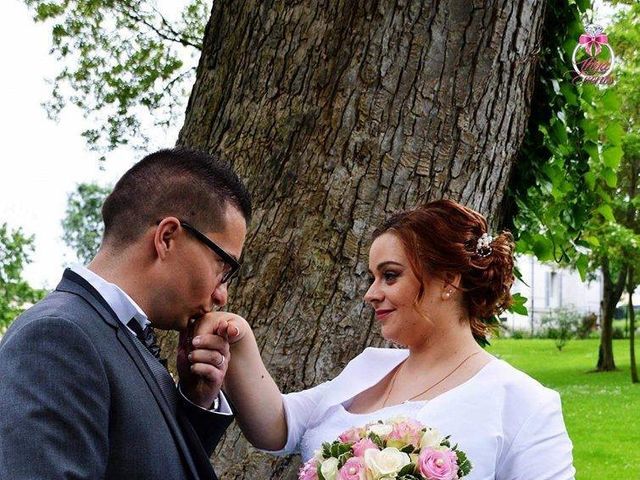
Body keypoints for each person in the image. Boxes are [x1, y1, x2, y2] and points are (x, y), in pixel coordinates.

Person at [210, 199, 576, 479]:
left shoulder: (525, 404)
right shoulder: (368, 366)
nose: (371, 293)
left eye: (389, 276)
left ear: (448, 281)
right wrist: (238, 341)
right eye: (373, 277)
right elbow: (277, 426)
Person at [0, 148, 252, 480]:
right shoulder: (56, 337)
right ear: (167, 238)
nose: (222, 293)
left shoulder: (116, 336)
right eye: (223, 267)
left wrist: (195, 403)